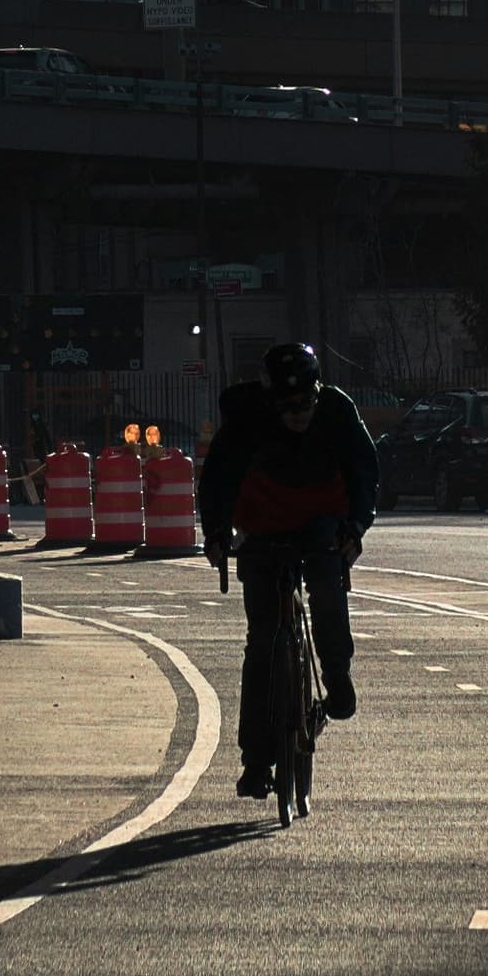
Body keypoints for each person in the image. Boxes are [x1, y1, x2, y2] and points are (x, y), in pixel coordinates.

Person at [198, 340, 379, 798]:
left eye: (306, 403)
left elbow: (364, 470)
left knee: (325, 583)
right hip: (261, 525)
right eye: (287, 404)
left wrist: (355, 528)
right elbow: (217, 477)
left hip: (322, 520)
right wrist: (217, 533)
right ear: (270, 401)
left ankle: (336, 677)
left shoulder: (338, 411)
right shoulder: (247, 420)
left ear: (319, 392)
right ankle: (256, 761)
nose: (297, 413)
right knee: (262, 639)